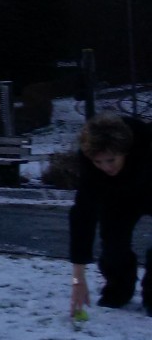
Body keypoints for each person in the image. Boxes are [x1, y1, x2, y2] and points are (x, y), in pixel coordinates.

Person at [69, 110, 152, 318]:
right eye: (98, 162)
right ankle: (119, 290)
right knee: (114, 246)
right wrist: (78, 279)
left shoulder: (147, 144)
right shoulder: (89, 163)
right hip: (118, 198)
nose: (105, 167)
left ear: (124, 151)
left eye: (111, 160)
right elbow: (82, 215)